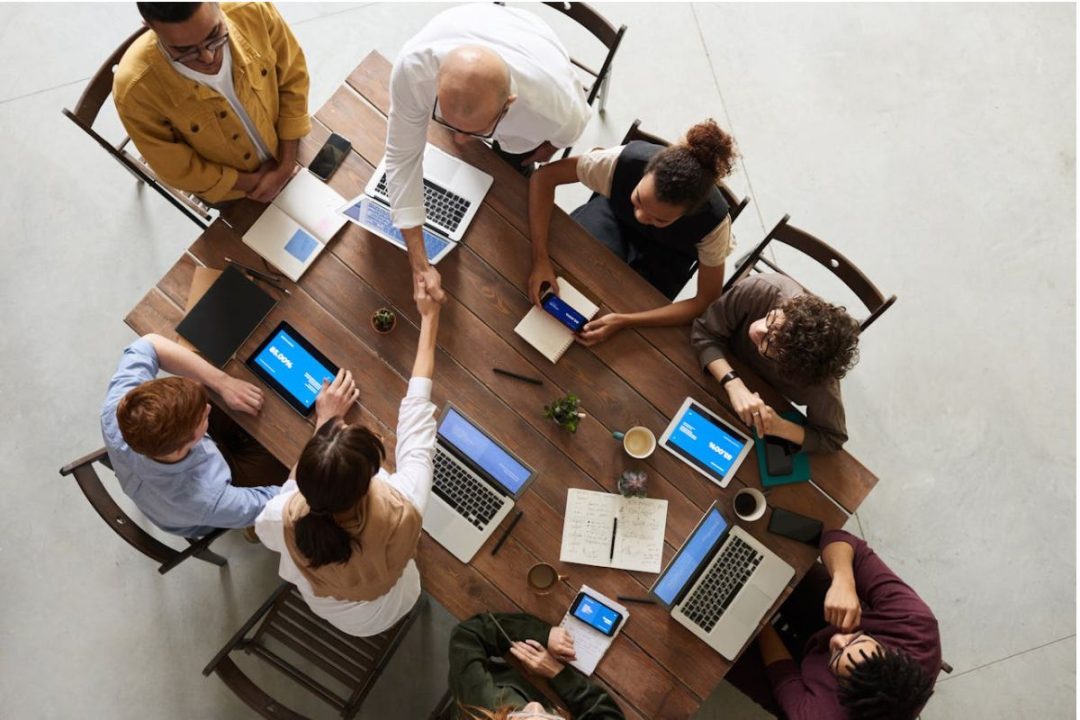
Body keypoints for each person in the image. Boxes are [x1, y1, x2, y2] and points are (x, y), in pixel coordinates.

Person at [255, 281, 442, 636]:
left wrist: (324, 422)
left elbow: (287, 496)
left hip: (342, 616)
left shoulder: (281, 515)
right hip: (391, 603)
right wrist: (430, 319)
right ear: (369, 479)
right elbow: (417, 418)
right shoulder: (404, 505)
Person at [386, 3, 591, 304]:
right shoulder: (413, 69)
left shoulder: (554, 111)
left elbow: (565, 136)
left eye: (473, 131)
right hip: (474, 21)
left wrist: (546, 149)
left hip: (533, 46)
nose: (458, 140)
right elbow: (401, 158)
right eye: (447, 121)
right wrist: (419, 262)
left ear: (508, 104)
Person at [528, 119, 740, 346]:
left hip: (669, 255)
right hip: (613, 217)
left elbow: (705, 300)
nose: (641, 216)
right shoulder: (622, 162)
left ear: (687, 213)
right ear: (646, 171)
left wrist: (625, 321)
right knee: (570, 268)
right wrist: (540, 258)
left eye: (659, 218)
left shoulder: (713, 225)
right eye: (638, 199)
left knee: (627, 310)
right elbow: (543, 178)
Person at [725, 530, 940, 719]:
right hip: (835, 616)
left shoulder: (821, 715)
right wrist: (843, 580)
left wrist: (758, 616)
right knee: (781, 555)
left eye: (838, 654)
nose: (837, 638)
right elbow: (838, 538)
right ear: (887, 648)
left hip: (800, 677)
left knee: (724, 645)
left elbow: (783, 673)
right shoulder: (914, 624)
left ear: (841, 689)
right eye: (856, 638)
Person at [114, 2, 310, 204]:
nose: (208, 57)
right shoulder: (134, 91)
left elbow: (293, 78)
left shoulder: (253, 10)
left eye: (215, 35)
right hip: (237, 193)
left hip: (291, 147)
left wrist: (285, 165)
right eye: (185, 51)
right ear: (150, 27)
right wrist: (254, 183)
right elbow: (176, 168)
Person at [101, 334, 288, 538]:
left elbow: (149, 343)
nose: (208, 407)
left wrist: (223, 383)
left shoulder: (121, 410)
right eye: (203, 416)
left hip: (158, 485)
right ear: (185, 445)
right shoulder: (207, 500)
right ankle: (252, 530)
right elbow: (284, 504)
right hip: (203, 510)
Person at [690, 273, 860, 453]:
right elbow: (704, 332)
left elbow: (832, 439)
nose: (758, 329)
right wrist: (733, 384)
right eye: (773, 321)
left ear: (791, 367)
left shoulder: (820, 383)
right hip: (709, 370)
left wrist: (779, 426)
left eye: (770, 343)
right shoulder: (761, 289)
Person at [449, 612, 625, 720]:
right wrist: (557, 673)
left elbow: (467, 636)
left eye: (521, 717)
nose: (535, 706)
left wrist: (541, 634)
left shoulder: (480, 703)